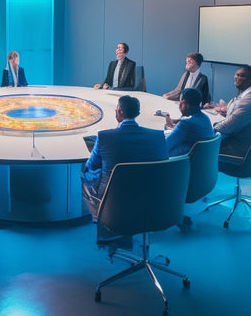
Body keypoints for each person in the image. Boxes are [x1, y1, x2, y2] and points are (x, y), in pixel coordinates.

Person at [81, 95, 168, 247]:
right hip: (152, 199)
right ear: (138, 113)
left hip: (113, 203)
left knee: (85, 173)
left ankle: (104, 228)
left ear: (120, 111)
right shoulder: (157, 137)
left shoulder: (104, 137)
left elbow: (91, 166)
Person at [213, 65, 251, 157]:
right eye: (236, 75)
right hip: (243, 144)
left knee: (199, 147)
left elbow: (228, 126)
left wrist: (208, 128)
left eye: (240, 75)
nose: (236, 78)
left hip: (239, 150)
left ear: (249, 79)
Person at [165, 88, 215, 157]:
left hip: (181, 164)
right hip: (202, 161)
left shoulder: (186, 123)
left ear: (184, 102)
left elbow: (165, 146)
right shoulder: (205, 118)